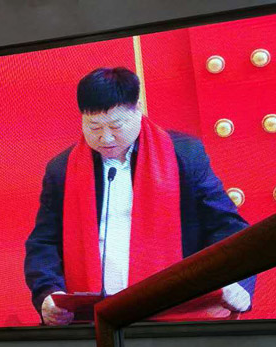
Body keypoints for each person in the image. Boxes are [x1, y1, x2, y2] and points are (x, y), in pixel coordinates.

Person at [24, 67, 256, 325]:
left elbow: (227, 227)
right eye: (94, 127)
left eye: (116, 126)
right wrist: (47, 294)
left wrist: (236, 282)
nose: (106, 138)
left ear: (138, 108)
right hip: (92, 318)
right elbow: (43, 242)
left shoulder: (184, 155)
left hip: (177, 313)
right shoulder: (62, 169)